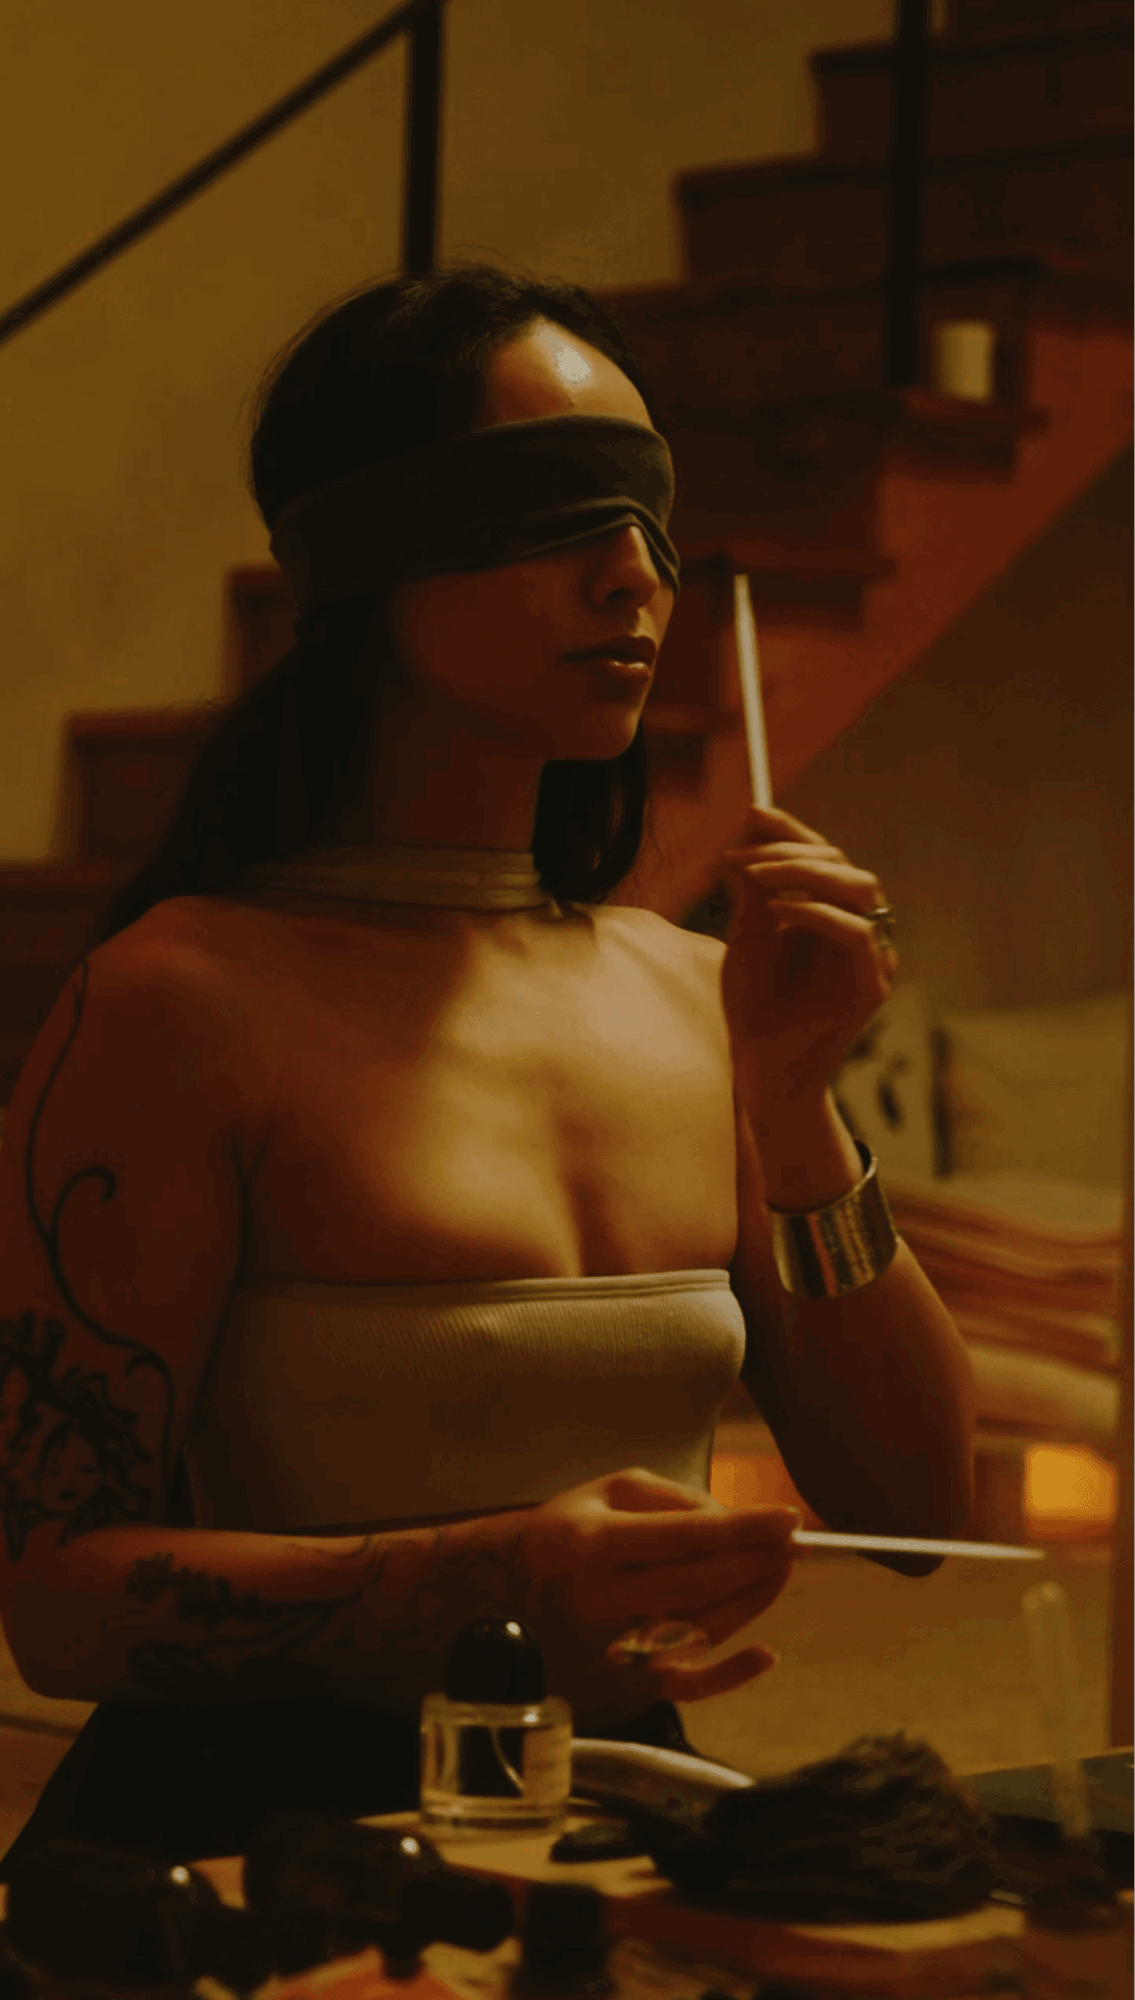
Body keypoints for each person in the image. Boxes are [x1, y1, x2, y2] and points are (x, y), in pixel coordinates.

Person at [0, 266, 974, 1867]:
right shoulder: (178, 1001)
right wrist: (479, 1583)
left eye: (651, 515)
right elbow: (53, 1607)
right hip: (251, 1867)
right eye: (556, 509)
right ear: (371, 551)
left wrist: (795, 1104)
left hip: (606, 1845)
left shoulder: (700, 999)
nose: (632, 573)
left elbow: (927, 1514)